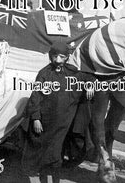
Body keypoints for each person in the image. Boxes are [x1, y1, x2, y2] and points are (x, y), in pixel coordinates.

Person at [21, 41, 93, 183]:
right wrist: (36, 118)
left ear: (67, 57)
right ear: (50, 56)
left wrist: (90, 85)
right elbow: (36, 97)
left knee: (56, 156)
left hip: (64, 124)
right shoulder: (44, 74)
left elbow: (88, 78)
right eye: (55, 56)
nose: (58, 60)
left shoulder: (72, 72)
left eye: (62, 57)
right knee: (43, 154)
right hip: (46, 123)